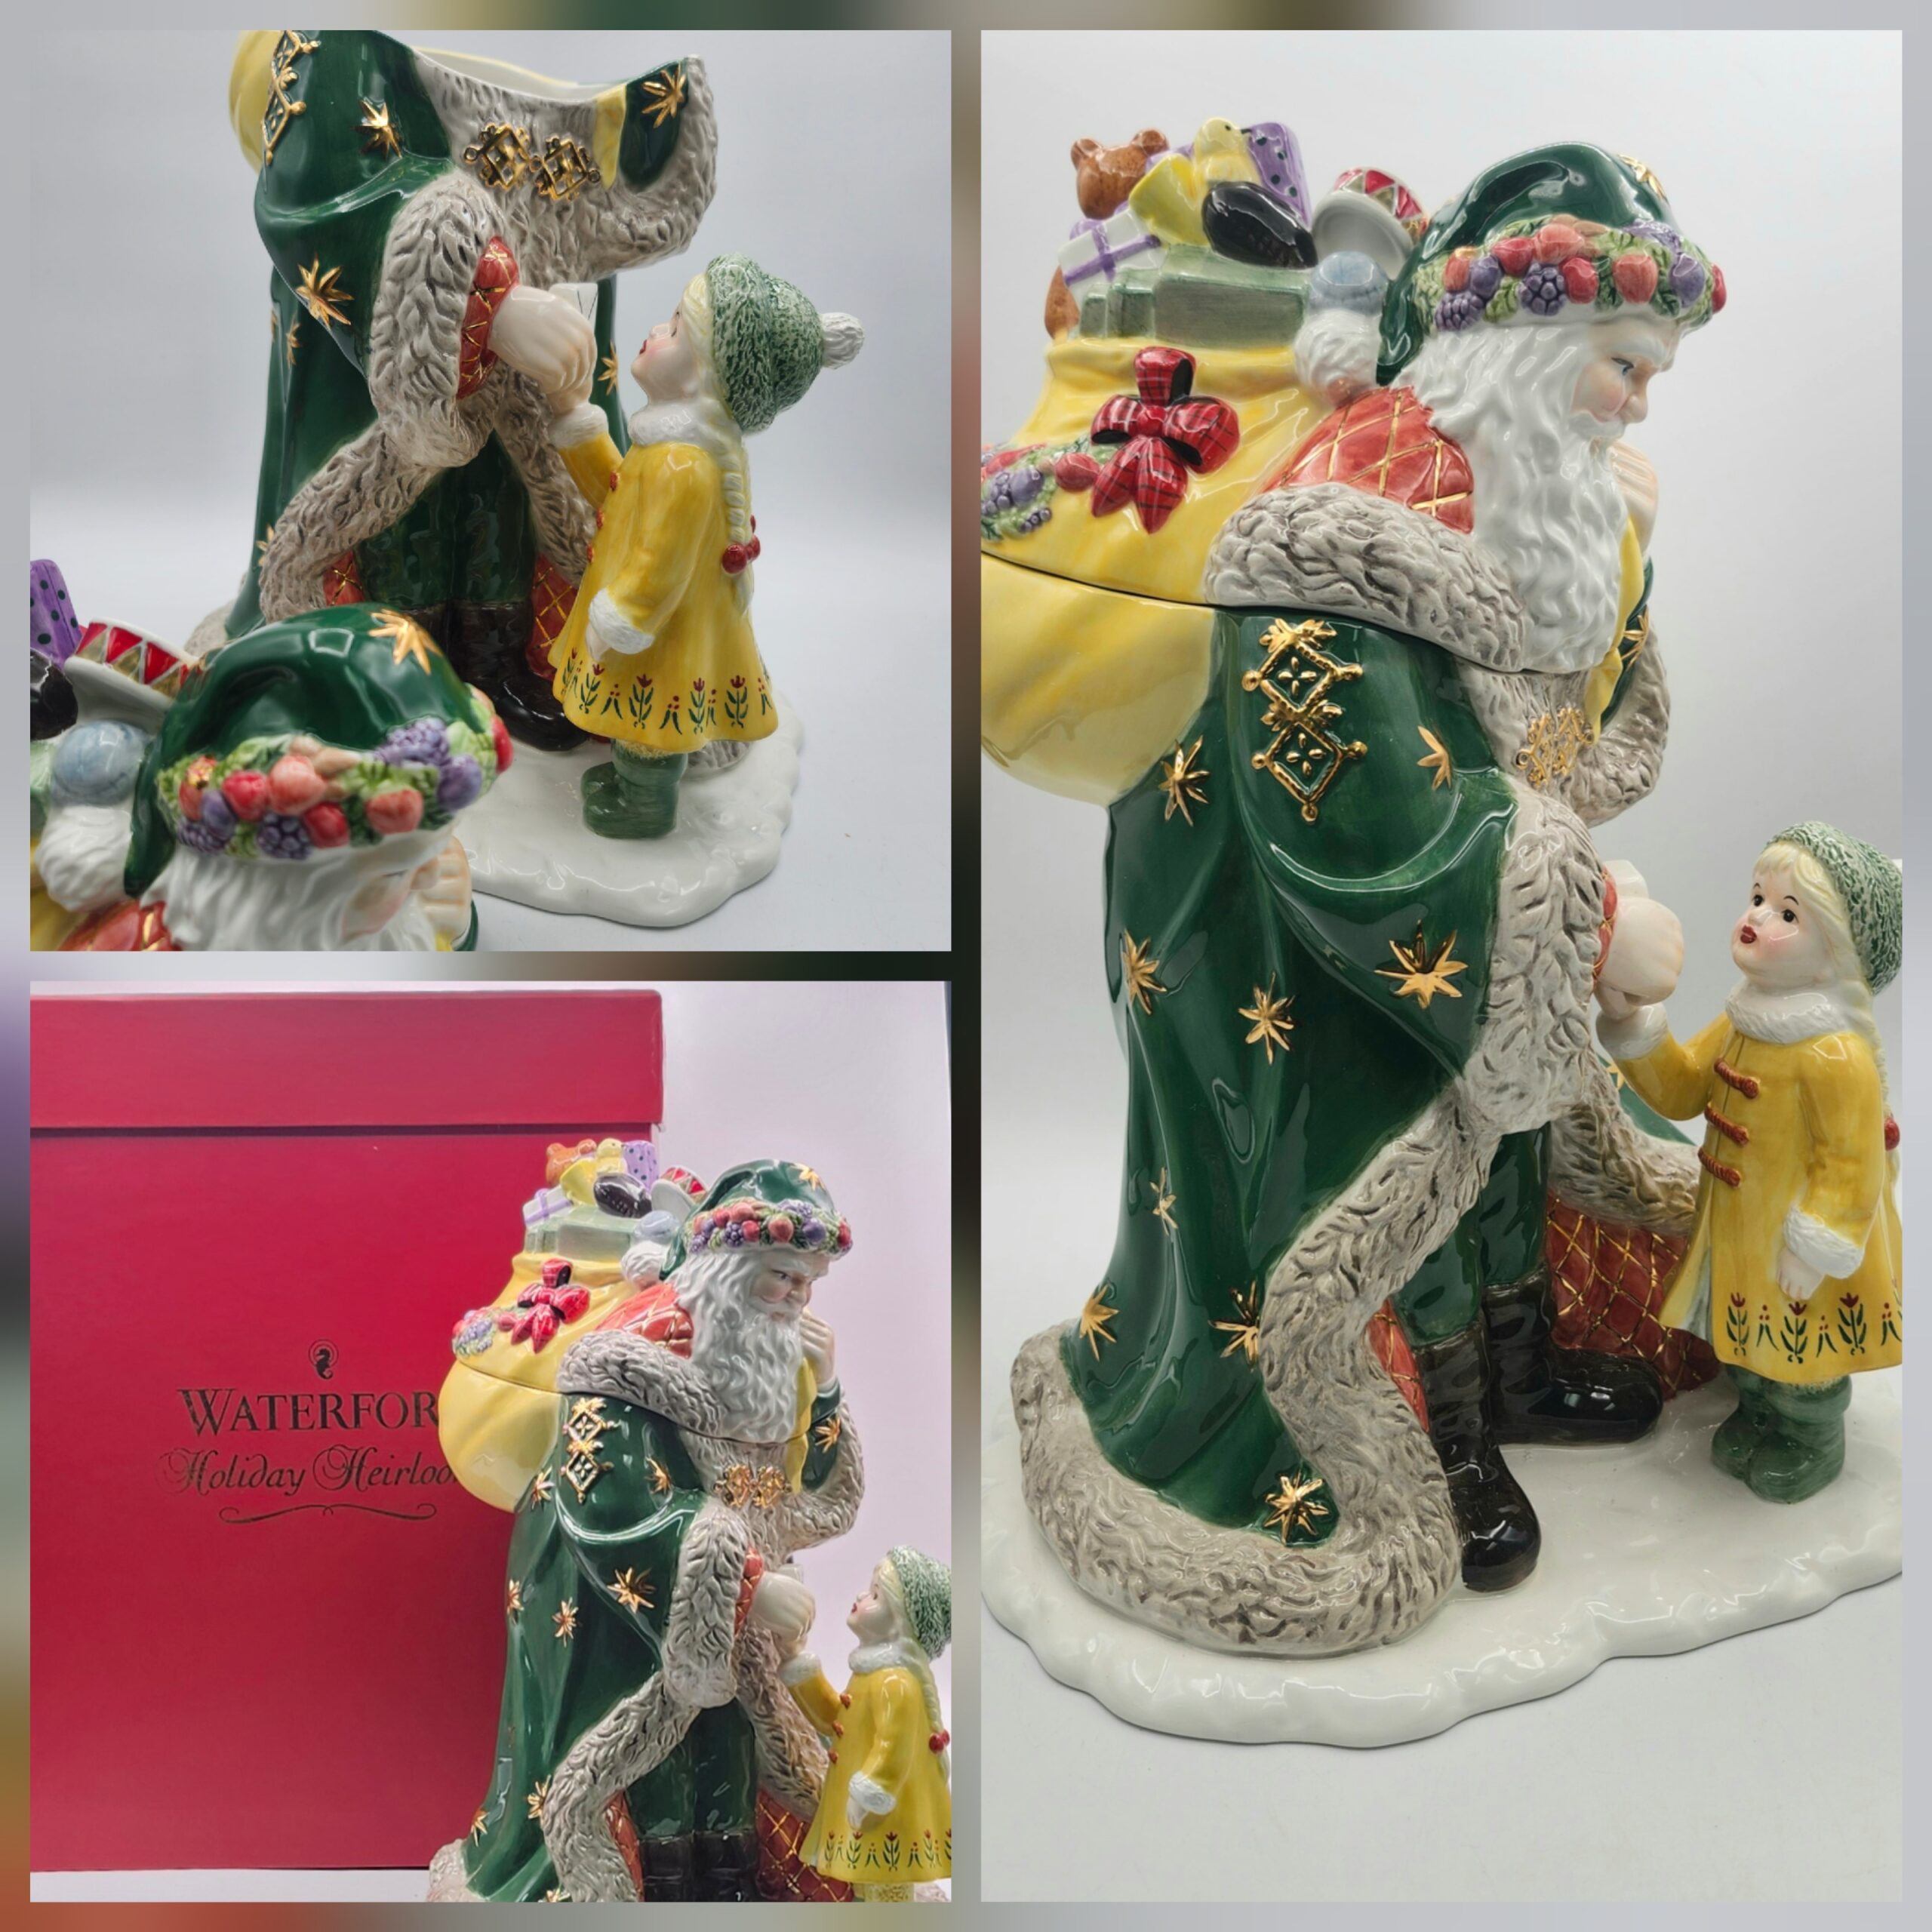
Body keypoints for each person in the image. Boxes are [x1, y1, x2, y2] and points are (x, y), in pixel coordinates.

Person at [1002, 143, 1731, 1651]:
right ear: (1523, 345)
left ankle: (1522, 1370)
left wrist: (1627, 551)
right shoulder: (1339, 530)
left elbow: (1556, 715)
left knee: (1509, 1156)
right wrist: (1586, 922)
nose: (1637, 405)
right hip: (1297, 948)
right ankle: (1440, 1432)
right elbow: (1349, 807)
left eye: (1650, 374)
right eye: (1621, 365)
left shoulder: (1525, 484)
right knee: (1394, 1198)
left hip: (1470, 946)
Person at [205, 32, 717, 749]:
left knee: (524, 504)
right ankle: (373, 671)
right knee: (386, 509)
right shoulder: (331, 53)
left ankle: (521, 664)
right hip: (382, 353)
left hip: (546, 337)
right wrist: (481, 300)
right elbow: (323, 184)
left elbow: (644, 176)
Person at [429, 1161, 862, 1903]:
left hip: (728, 1613)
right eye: (782, 1277)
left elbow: (803, 1498)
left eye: (807, 1282)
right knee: (646, 1757)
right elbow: (610, 1498)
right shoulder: (631, 1355)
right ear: (728, 1270)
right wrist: (745, 1584)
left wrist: (825, 1390)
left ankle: (726, 1876)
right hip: (616, 1601)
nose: (798, 1297)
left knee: (730, 1746)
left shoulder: (767, 1352)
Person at [1600, 825, 1903, 1500]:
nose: (1759, 917)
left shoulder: (1835, 1054)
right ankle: (1758, 1412)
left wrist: (1815, 1247)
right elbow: (1684, 1088)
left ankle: (1810, 1436)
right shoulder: (1746, 1019)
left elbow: (1851, 1164)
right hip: (1736, 1227)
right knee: (1743, 1337)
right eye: (1759, 898)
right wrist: (1635, 1026)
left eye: (1788, 914)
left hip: (1795, 1242)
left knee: (1804, 1349)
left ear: (1834, 953)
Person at [530, 257, 863, 836]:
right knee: (641, 722)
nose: (657, 330)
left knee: (650, 722)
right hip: (656, 622)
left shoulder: (683, 465)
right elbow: (617, 494)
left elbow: (661, 564)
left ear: (706, 374)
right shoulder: (667, 447)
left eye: (677, 329)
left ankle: (645, 804)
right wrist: (576, 419)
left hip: (659, 633)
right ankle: (633, 786)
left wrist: (623, 619)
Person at [38, 605, 506, 950]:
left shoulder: (348, 930)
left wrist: (442, 918)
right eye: (397, 871)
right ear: (275, 891)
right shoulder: (143, 957)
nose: (430, 878)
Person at [757, 1547, 952, 1900]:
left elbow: (893, 1749)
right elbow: (836, 1720)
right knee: (868, 1887)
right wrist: (796, 1659)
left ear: (900, 1622)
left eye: (876, 1595)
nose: (862, 1596)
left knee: (885, 1887)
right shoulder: (871, 1675)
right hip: (860, 1815)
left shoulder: (895, 1683)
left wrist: (870, 1795)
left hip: (881, 1818)